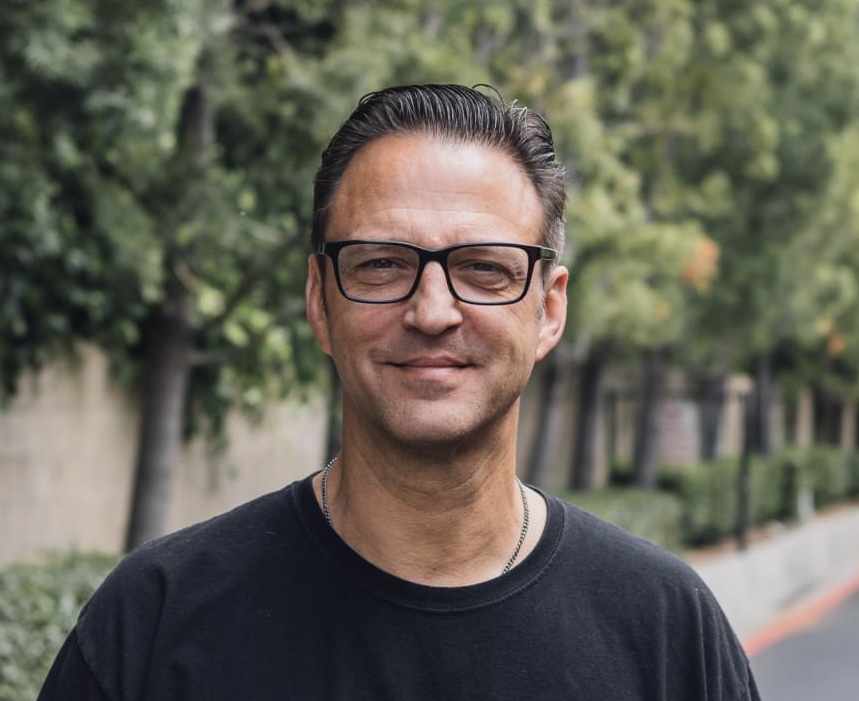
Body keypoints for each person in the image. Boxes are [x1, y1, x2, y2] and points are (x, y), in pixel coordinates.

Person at [38, 84, 761, 700]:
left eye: (484, 268)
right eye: (382, 264)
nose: (432, 311)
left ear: (548, 310)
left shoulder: (665, 629)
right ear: (319, 300)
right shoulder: (154, 622)